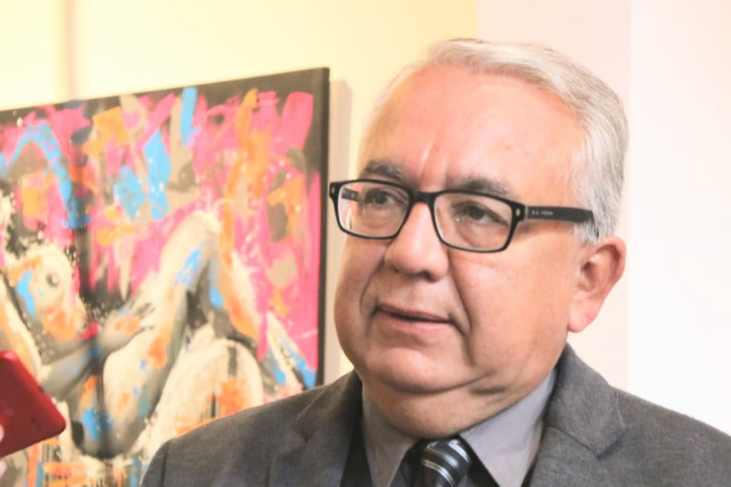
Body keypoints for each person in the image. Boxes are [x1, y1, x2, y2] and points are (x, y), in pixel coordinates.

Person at [140, 38, 731, 487]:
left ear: (588, 280)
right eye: (381, 198)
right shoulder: (194, 471)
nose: (409, 252)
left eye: (478, 213)